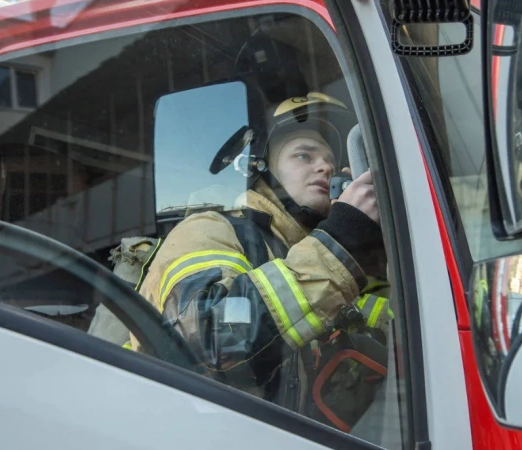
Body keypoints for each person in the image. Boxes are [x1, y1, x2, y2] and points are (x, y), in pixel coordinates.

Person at [127, 92, 392, 429]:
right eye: (303, 156)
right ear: (259, 168)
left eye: (328, 158)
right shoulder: (209, 228)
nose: (324, 166)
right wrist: (340, 241)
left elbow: (386, 327)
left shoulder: (301, 251)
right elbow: (208, 342)